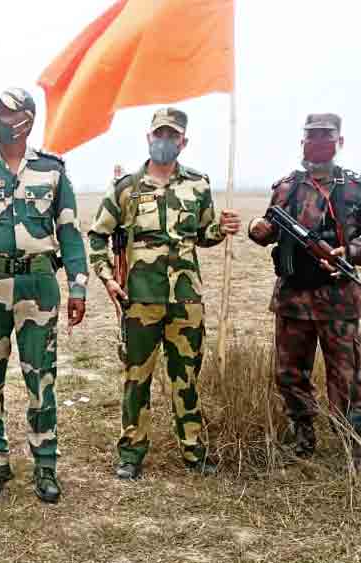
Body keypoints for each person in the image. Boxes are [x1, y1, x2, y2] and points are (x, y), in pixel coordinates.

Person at [0, 87, 88, 504]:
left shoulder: (52, 171)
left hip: (38, 287)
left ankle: (45, 463)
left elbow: (69, 232)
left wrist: (78, 286)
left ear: (25, 119)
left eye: (3, 111)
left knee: (41, 378)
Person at [88, 107, 241, 480]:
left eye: (172, 136)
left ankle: (193, 449)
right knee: (137, 376)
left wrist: (223, 229)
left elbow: (203, 236)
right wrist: (108, 277)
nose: (164, 141)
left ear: (183, 142)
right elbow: (97, 235)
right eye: (159, 134)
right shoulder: (126, 187)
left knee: (185, 376)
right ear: (148, 138)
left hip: (186, 300)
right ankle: (132, 451)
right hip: (140, 298)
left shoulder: (198, 185)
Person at [247, 113, 361, 467]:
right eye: (312, 137)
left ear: (339, 142)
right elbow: (269, 230)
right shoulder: (286, 187)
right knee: (290, 373)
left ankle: (354, 447)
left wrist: (349, 253)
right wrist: (255, 228)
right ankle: (302, 439)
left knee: (345, 376)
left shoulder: (360, 188)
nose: (318, 143)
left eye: (326, 137)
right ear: (302, 142)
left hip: (339, 301)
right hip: (293, 299)